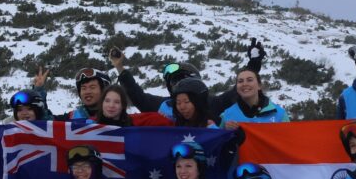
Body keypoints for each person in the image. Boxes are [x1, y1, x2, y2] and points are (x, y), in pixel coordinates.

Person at [111, 40, 263, 119]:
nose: (177, 86)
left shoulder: (211, 103)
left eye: (181, 81)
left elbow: (237, 91)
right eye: (173, 83)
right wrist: (120, 67)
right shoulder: (164, 105)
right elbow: (138, 96)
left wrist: (254, 65)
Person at [220, 69, 289, 128]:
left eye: (249, 80)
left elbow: (287, 140)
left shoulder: (279, 114)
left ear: (259, 86)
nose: (244, 84)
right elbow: (219, 141)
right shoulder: (227, 115)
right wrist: (225, 131)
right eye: (240, 81)